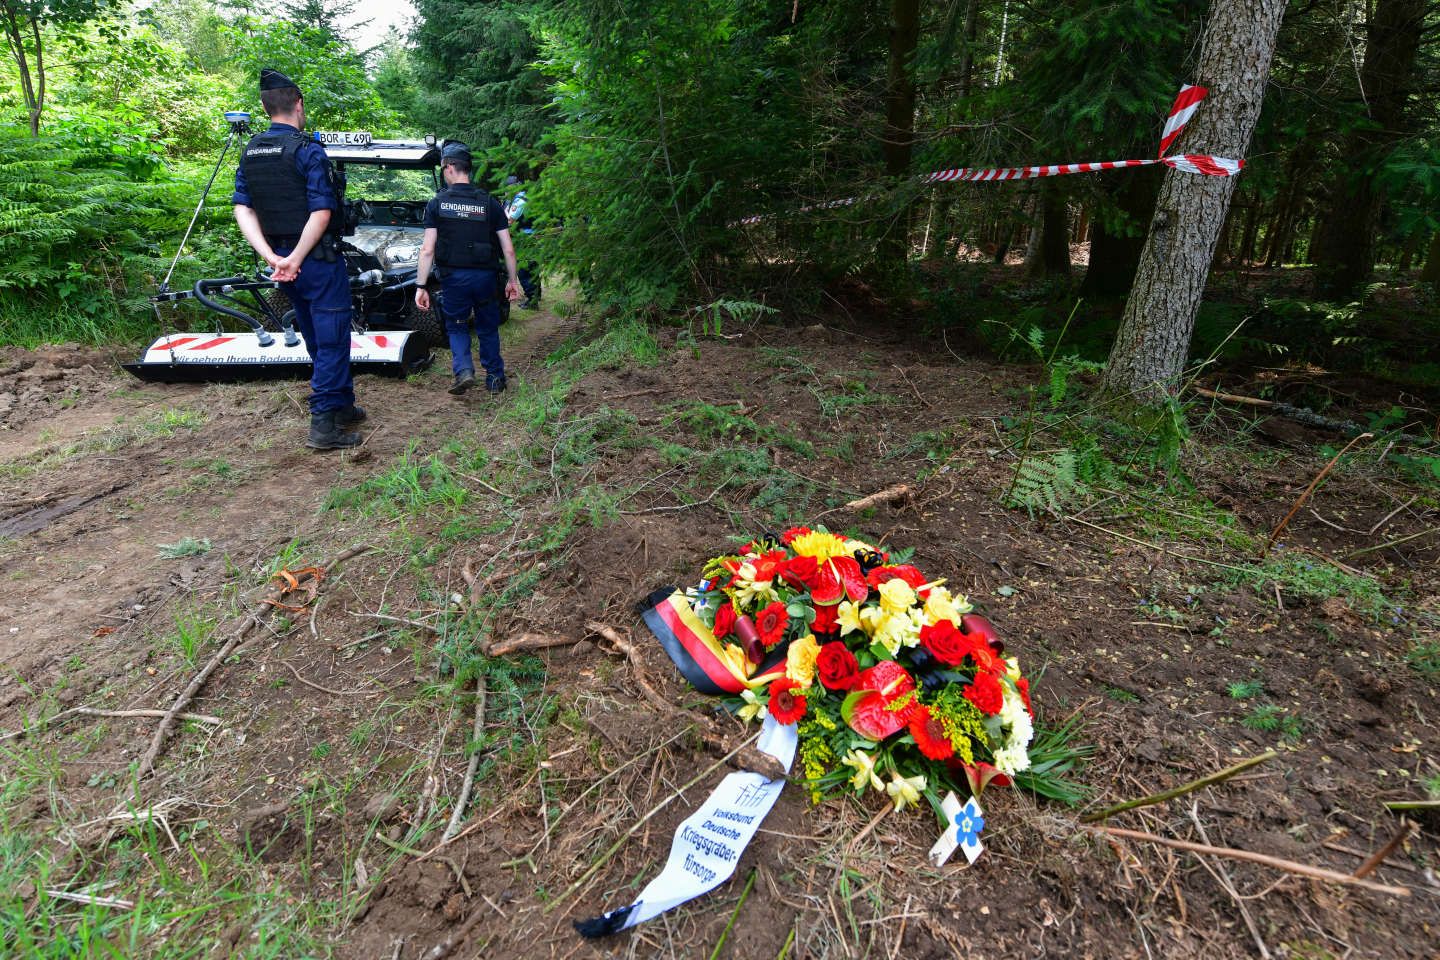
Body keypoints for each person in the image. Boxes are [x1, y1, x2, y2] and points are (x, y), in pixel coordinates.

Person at [232, 67, 363, 450]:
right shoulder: (308, 151)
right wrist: (297, 257)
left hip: (284, 262)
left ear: (263, 105)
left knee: (314, 336)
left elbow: (243, 209)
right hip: (316, 261)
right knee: (333, 337)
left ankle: (342, 405)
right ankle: (324, 423)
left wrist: (275, 257)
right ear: (299, 104)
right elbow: (321, 212)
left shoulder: (251, 152)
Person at [415, 142, 523, 394]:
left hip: (454, 278)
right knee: (487, 326)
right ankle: (495, 379)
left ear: (450, 167)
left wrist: (420, 285)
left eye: (443, 168)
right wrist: (512, 280)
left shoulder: (437, 204)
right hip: (485, 277)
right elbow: (508, 248)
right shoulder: (490, 203)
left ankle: (463, 371)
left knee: (456, 324)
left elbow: (427, 250)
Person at [503, 175, 541, 309]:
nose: (506, 193)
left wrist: (505, 211)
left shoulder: (519, 201)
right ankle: (535, 296)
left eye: (507, 189)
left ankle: (532, 300)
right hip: (529, 238)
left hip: (524, 239)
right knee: (533, 268)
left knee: (525, 270)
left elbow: (509, 221)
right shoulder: (523, 198)